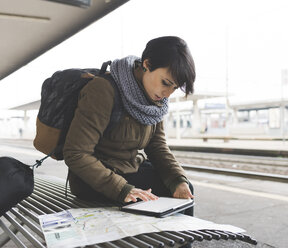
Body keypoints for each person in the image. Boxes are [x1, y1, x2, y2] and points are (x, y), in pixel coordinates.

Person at [63, 36, 196, 216]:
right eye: (166, 83)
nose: (167, 94)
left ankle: (180, 243)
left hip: (130, 169)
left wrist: (177, 179)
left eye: (174, 88)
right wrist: (122, 189)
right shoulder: (104, 90)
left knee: (183, 189)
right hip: (93, 178)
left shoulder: (154, 100)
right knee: (150, 198)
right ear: (147, 64)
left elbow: (157, 146)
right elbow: (76, 153)